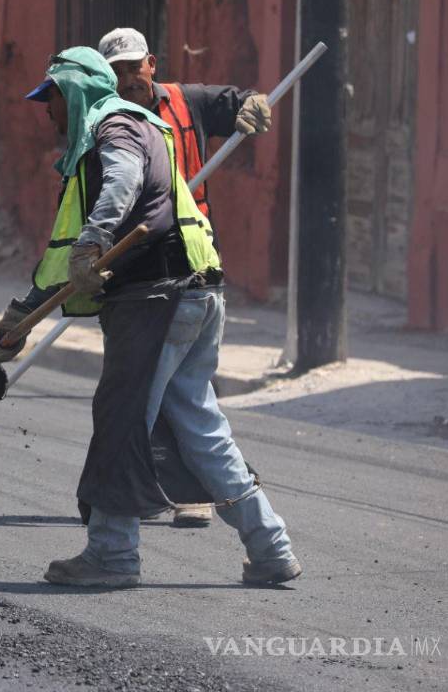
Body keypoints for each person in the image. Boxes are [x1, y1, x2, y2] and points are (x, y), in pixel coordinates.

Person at [0, 47, 300, 589]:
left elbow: (123, 182)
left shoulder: (116, 127)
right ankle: (270, 546)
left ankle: (111, 553)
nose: (47, 112)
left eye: (51, 98)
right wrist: (21, 318)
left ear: (76, 91)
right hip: (196, 288)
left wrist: (97, 239)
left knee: (122, 419)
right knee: (200, 425)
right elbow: (64, 254)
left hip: (157, 297)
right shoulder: (136, 127)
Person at [100, 26, 271, 528]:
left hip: (191, 262)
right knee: (170, 395)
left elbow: (244, 98)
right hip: (135, 265)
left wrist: (254, 106)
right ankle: (175, 493)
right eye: (117, 72)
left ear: (152, 63)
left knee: (155, 391)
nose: (128, 78)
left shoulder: (186, 101)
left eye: (134, 67)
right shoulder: (111, 122)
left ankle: (126, 513)